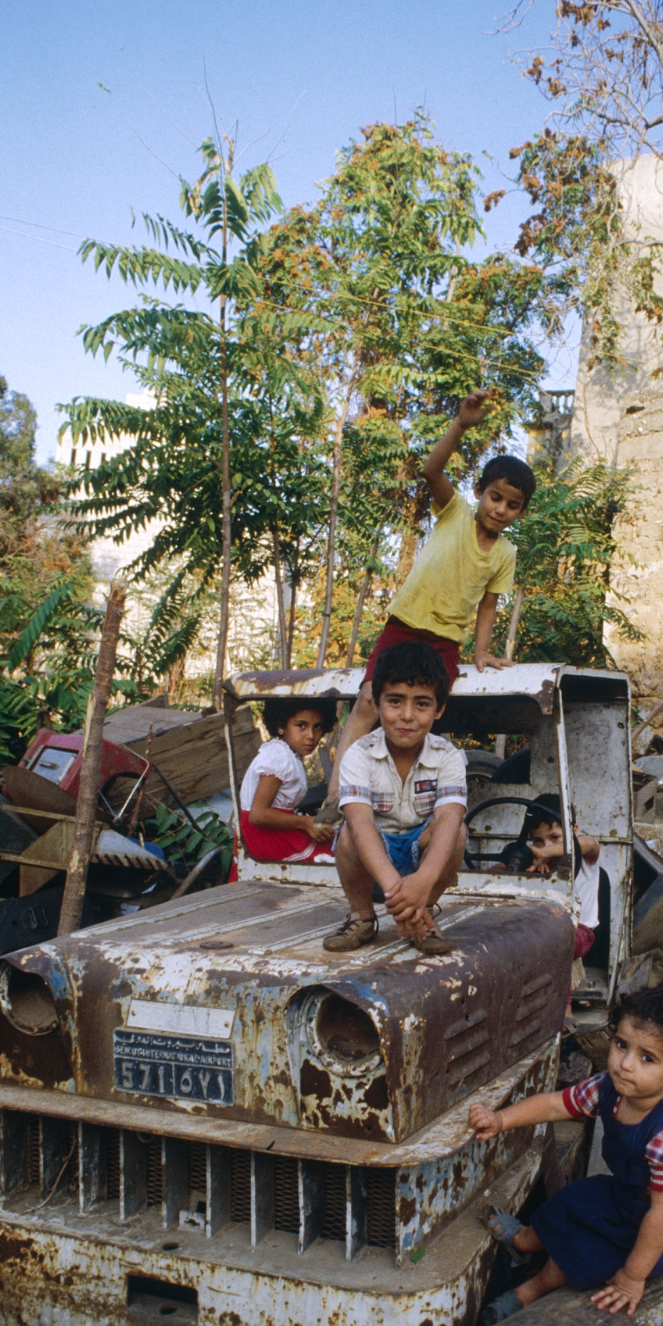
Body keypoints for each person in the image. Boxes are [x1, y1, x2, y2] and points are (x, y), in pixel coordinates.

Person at [317, 390, 534, 822]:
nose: (501, 509)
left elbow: (488, 606)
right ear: (480, 493)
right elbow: (432, 468)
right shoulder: (454, 512)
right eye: (495, 498)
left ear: (520, 512)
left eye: (513, 505)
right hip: (405, 624)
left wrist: (480, 652)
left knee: (422, 713)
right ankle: (336, 791)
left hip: (445, 641)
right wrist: (461, 424)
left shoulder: (505, 553)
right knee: (367, 701)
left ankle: (410, 797)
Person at [468, 984, 663, 1325]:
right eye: (621, 1045)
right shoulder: (608, 1088)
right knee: (572, 1199)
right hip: (628, 1196)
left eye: (648, 1058)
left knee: (590, 1251)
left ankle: (529, 1293)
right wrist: (501, 1119)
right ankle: (526, 1240)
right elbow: (557, 1104)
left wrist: (632, 1278)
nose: (626, 1064)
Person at [323, 641, 468, 956]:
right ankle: (361, 917)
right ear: (375, 704)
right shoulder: (358, 754)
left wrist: (421, 884)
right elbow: (360, 821)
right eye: (395, 701)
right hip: (374, 859)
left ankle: (424, 914)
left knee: (456, 831)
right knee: (348, 833)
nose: (407, 716)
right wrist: (396, 891)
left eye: (422, 704)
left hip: (422, 861)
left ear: (439, 709)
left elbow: (448, 817)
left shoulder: (448, 757)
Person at [238, 698, 337, 865]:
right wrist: (306, 823)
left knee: (336, 841)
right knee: (341, 859)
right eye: (301, 726)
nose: (311, 736)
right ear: (281, 726)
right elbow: (258, 814)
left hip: (275, 832)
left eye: (317, 726)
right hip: (266, 838)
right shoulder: (279, 756)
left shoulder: (286, 753)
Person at [522, 794, 602, 961]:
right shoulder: (536, 862)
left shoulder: (583, 854)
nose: (547, 845)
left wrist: (545, 852)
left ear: (574, 831)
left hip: (578, 930)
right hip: (542, 924)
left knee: (551, 945)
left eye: (554, 838)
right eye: (538, 840)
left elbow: (590, 843)